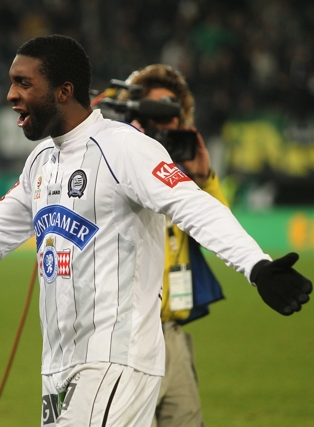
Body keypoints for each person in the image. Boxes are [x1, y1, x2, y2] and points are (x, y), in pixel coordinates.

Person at [0, 34, 312, 426]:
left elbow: (193, 206)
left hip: (115, 359)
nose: (12, 94)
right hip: (60, 365)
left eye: (24, 83)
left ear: (64, 91)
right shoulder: (41, 161)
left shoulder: (124, 148)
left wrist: (256, 266)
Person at [122, 64, 227, 427]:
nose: (165, 125)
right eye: (156, 113)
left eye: (172, 115)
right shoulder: (118, 162)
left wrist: (203, 180)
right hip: (126, 339)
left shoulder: (183, 175)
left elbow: (220, 235)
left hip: (173, 337)